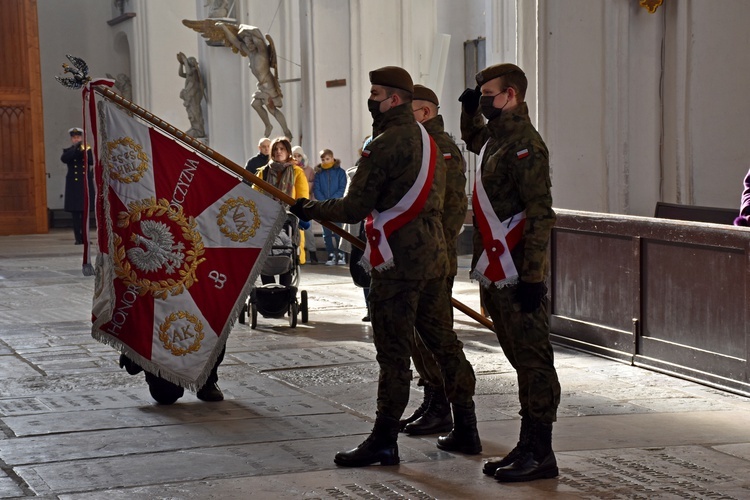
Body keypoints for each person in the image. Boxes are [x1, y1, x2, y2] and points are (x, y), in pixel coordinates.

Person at [290, 66, 480, 467]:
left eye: (376, 93)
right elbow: (447, 204)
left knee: (393, 353)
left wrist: (309, 208)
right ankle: (466, 425)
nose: (371, 99)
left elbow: (355, 206)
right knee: (445, 344)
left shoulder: (384, 144)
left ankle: (383, 439)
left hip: (397, 262)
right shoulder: (430, 142)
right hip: (433, 257)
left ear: (394, 99)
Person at [459, 63, 561, 482]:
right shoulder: (497, 140)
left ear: (511, 96)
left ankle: (541, 451)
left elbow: (540, 213)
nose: (483, 100)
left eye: (488, 94)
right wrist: (469, 111)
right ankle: (527, 443)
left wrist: (534, 275)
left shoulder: (526, 146)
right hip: (497, 270)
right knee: (518, 357)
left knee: (534, 359)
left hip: (518, 270)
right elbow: (473, 139)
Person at [399, 84, 468, 436]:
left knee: (432, 335)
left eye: (405, 112)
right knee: (415, 334)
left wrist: (427, 249)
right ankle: (431, 397)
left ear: (424, 113)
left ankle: (443, 405)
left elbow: (453, 211)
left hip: (434, 258)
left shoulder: (441, 150)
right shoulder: (417, 146)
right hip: (413, 258)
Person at [218, 23, 293, 140]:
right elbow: (235, 42)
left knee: (272, 109)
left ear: (255, 41)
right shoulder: (250, 54)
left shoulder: (261, 51)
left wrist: (243, 27)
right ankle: (268, 125)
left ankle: (286, 131)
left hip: (269, 86)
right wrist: (224, 28)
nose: (249, 45)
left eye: (251, 42)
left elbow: (257, 31)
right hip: (262, 86)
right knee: (255, 104)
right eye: (247, 43)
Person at [255, 136, 310, 283]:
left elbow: (302, 199)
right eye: (276, 149)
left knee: (288, 258)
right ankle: (269, 291)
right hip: (266, 222)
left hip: (288, 222)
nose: (279, 152)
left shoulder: (297, 172)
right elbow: (255, 198)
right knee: (264, 258)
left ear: (288, 152)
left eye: (282, 149)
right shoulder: (263, 172)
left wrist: (300, 214)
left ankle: (286, 292)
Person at [313, 149, 348, 265]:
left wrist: (333, 200)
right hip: (323, 207)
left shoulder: (340, 172)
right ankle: (330, 254)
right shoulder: (318, 173)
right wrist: (324, 201)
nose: (325, 161)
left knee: (338, 230)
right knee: (326, 232)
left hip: (337, 205)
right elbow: (316, 189)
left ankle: (341, 253)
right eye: (323, 159)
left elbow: (342, 188)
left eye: (327, 159)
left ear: (333, 158)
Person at [60, 127, 93, 245]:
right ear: (71, 139)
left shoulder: (86, 149)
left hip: (84, 185)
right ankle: (78, 238)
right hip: (73, 186)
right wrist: (75, 148)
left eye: (78, 137)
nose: (76, 139)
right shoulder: (68, 151)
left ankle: (86, 238)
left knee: (85, 214)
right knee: (75, 215)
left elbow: (91, 161)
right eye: (74, 138)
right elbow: (64, 159)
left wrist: (83, 150)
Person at [293, 146, 319, 264]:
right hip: (293, 203)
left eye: (299, 156)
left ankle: (313, 253)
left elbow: (314, 185)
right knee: (294, 231)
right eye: (295, 156)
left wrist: (303, 184)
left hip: (307, 203)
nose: (297, 158)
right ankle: (297, 255)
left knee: (308, 230)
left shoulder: (308, 170)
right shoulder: (290, 168)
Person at [177, 52, 206, 138]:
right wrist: (181, 64)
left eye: (189, 62)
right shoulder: (190, 72)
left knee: (195, 111)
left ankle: (199, 130)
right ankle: (194, 127)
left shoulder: (193, 71)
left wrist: (185, 60)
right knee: (191, 112)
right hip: (189, 96)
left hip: (194, 95)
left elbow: (188, 72)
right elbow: (181, 74)